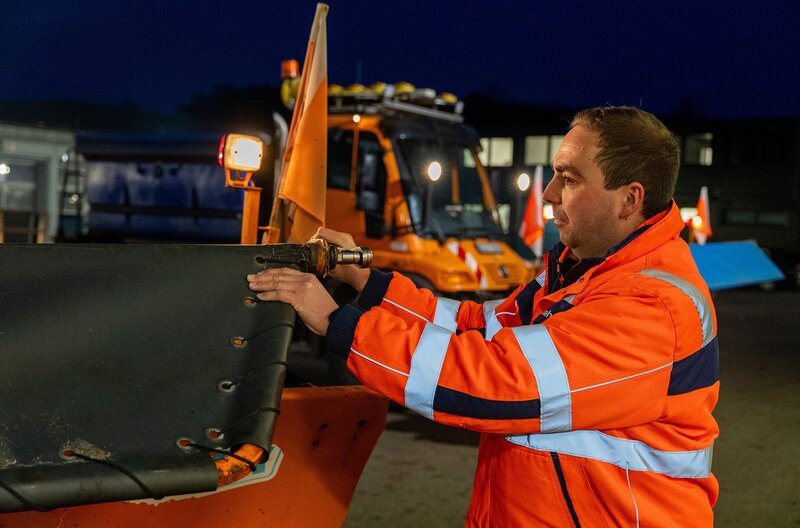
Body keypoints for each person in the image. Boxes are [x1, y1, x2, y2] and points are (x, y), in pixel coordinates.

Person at [247, 106, 719, 527]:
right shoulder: (582, 274)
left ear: (629, 200)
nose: (549, 192)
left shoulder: (648, 307)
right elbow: (474, 325)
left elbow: (492, 382)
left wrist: (338, 323)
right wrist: (365, 281)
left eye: (569, 178)